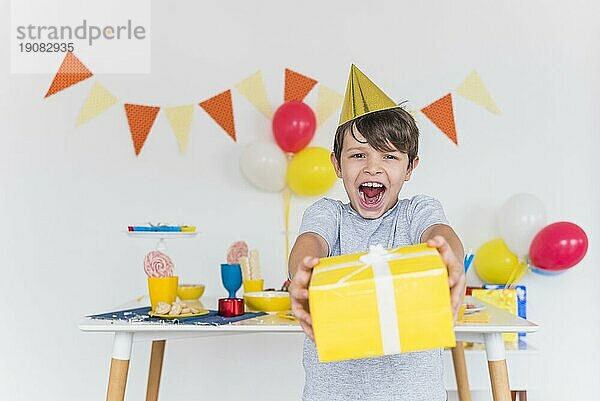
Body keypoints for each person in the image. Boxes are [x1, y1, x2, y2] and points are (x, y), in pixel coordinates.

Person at [288, 65, 466, 401]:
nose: (372, 167)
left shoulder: (417, 212)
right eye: (358, 155)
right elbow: (309, 243)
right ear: (337, 165)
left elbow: (440, 233)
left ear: (410, 167)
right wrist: (302, 270)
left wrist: (450, 259)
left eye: (389, 156)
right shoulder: (328, 214)